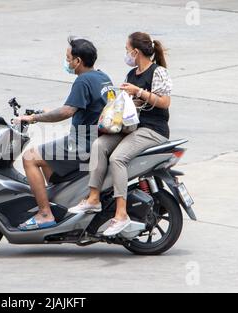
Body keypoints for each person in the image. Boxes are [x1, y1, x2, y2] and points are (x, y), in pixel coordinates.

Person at [68, 32, 173, 236]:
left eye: (127, 50)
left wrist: (139, 92)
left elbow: (164, 102)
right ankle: (94, 199)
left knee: (118, 158)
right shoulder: (131, 75)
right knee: (99, 145)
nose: (126, 54)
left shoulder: (157, 72)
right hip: (132, 127)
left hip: (153, 130)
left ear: (136, 51)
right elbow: (130, 106)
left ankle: (121, 214)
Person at [14, 37, 113, 231]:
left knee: (30, 157)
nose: (66, 62)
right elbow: (87, 108)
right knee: (48, 161)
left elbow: (67, 111)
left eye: (68, 58)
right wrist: (45, 112)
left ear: (78, 61)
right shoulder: (102, 77)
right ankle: (62, 205)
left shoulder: (82, 81)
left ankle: (44, 214)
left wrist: (34, 118)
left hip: (83, 142)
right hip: (96, 138)